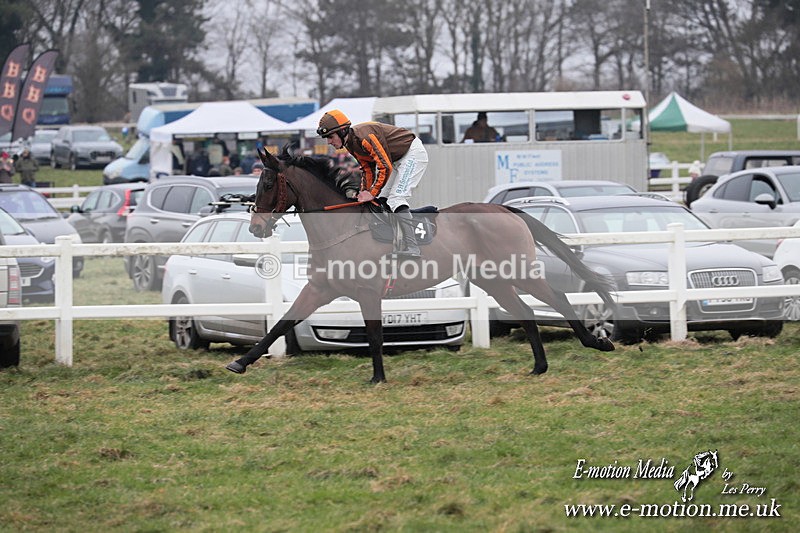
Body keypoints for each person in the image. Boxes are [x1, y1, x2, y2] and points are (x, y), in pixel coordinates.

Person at [317, 109, 428, 257]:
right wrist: (364, 192)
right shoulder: (350, 143)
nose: (329, 142)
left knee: (396, 198)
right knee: (381, 200)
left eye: (330, 137)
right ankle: (394, 239)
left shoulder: (365, 138)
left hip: (412, 154)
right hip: (396, 160)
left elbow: (384, 166)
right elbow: (367, 169)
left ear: (343, 131)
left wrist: (371, 192)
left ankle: (412, 246)